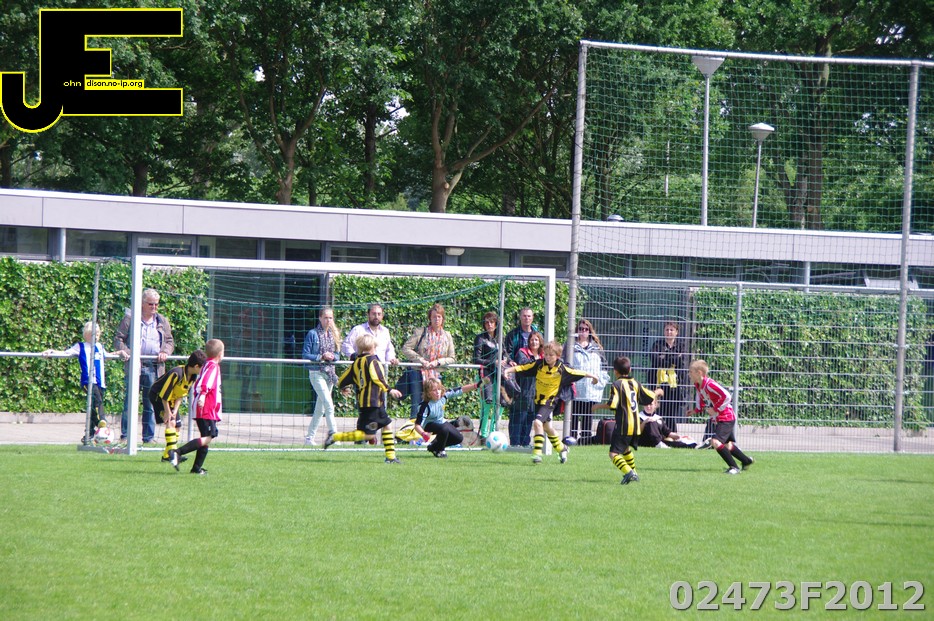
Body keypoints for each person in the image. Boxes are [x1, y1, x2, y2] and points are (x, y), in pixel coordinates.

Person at [503, 340, 599, 464]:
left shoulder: (562, 368)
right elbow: (522, 367)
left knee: (537, 423)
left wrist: (594, 377)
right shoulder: (539, 364)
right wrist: (508, 371)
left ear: (557, 356)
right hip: (538, 401)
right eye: (546, 354)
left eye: (551, 355)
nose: (547, 357)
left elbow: (578, 372)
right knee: (547, 428)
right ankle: (562, 448)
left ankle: (537, 454)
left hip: (550, 401)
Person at [43, 321, 128, 444]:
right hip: (88, 381)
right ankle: (101, 422)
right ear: (86, 335)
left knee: (92, 406)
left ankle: (89, 434)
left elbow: (107, 356)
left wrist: (120, 352)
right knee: (97, 401)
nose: (96, 337)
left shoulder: (99, 346)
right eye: (93, 334)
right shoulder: (80, 346)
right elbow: (65, 353)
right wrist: (51, 351)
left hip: (100, 382)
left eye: (97, 334)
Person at [326, 334, 400, 463]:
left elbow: (342, 379)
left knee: (378, 429)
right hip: (374, 402)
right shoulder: (373, 360)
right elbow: (377, 377)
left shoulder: (357, 362)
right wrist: (389, 389)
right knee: (375, 431)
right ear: (372, 347)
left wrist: (343, 387)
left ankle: (390, 457)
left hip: (364, 403)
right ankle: (390, 457)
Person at [114, 288, 175, 444]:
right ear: (142, 303)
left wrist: (165, 352)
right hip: (135, 365)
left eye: (156, 304)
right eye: (150, 304)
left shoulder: (162, 321)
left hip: (154, 366)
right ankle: (125, 436)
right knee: (129, 402)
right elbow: (118, 339)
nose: (154, 307)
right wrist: (129, 353)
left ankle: (148, 438)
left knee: (150, 403)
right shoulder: (130, 319)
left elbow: (169, 341)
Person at [594, 356, 663, 485]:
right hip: (635, 425)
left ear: (615, 371)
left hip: (623, 425)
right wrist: (657, 392)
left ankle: (628, 472)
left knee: (613, 454)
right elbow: (649, 396)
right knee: (625, 449)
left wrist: (598, 406)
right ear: (630, 369)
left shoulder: (616, 385)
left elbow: (612, 404)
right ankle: (634, 473)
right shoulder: (635, 383)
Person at [687, 359, 754, 474]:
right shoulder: (698, 385)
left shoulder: (710, 384)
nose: (689, 374)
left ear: (699, 373)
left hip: (726, 417)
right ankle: (746, 461)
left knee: (715, 442)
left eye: (691, 372)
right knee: (727, 445)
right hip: (719, 418)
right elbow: (701, 399)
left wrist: (715, 409)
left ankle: (734, 467)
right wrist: (696, 410)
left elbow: (727, 396)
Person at [176, 339, 224, 475]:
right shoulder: (213, 366)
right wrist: (203, 395)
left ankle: (196, 468)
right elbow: (206, 381)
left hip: (204, 407)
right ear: (220, 354)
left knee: (206, 438)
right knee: (209, 436)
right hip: (206, 407)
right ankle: (177, 452)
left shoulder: (207, 364)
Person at [150, 350, 206, 465]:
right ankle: (174, 455)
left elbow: (180, 395)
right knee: (170, 422)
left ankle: (167, 456)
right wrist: (167, 412)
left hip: (171, 399)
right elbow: (164, 396)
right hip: (158, 397)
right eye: (202, 368)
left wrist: (175, 411)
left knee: (177, 427)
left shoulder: (192, 377)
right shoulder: (176, 374)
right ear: (196, 366)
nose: (204, 370)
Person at [400, 303, 456, 419]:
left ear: (443, 318)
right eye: (434, 316)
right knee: (417, 404)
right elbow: (406, 348)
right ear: (430, 318)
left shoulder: (447, 336)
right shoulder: (421, 332)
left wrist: (437, 362)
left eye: (439, 317)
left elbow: (452, 358)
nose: (436, 319)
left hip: (436, 374)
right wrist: (421, 360)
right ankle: (414, 428)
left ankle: (433, 428)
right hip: (417, 372)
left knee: (435, 404)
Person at [412, 377, 485, 458]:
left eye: (439, 389)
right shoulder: (424, 406)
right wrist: (423, 434)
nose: (438, 392)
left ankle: (433, 447)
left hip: (441, 422)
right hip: (428, 425)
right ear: (428, 393)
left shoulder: (444, 396)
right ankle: (440, 451)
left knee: (458, 438)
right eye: (434, 390)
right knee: (444, 429)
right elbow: (417, 425)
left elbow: (461, 390)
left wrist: (476, 385)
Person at [302, 308, 342, 445]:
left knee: (320, 409)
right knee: (329, 405)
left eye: (330, 318)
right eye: (325, 317)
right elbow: (305, 354)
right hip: (316, 373)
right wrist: (321, 356)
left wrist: (332, 357)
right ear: (320, 318)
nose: (328, 320)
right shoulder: (312, 334)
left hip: (329, 374)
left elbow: (337, 355)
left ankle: (309, 438)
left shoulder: (333, 335)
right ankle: (334, 436)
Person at [472, 311, 511, 444]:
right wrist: (493, 362)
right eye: (487, 322)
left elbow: (505, 354)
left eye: (492, 322)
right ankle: (483, 435)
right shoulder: (480, 338)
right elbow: (476, 359)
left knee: (500, 403)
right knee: (487, 403)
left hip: (499, 374)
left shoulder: (500, 338)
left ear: (496, 324)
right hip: (485, 375)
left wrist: (509, 361)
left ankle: (494, 432)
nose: (489, 325)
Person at [569, 319, 608, 445]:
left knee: (587, 417)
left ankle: (585, 442)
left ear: (590, 331)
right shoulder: (570, 346)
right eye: (581, 329)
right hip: (575, 389)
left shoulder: (597, 348)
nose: (583, 331)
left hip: (591, 390)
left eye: (586, 329)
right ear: (577, 330)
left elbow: (604, 367)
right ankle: (572, 441)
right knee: (574, 417)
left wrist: (600, 383)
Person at [649, 321, 690, 432]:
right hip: (659, 383)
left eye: (672, 330)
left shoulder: (681, 345)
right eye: (667, 329)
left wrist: (665, 358)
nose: (669, 332)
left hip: (675, 384)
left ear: (676, 332)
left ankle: (672, 435)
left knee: (671, 412)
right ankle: (659, 434)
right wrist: (673, 359)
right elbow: (655, 360)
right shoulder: (657, 344)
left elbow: (682, 362)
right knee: (659, 411)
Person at [506, 330, 544, 447]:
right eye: (532, 340)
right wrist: (538, 364)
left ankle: (525, 444)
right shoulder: (522, 353)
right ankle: (515, 444)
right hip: (521, 392)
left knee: (529, 419)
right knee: (518, 419)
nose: (534, 342)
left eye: (536, 340)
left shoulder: (543, 355)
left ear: (540, 342)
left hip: (535, 393)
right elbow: (525, 365)